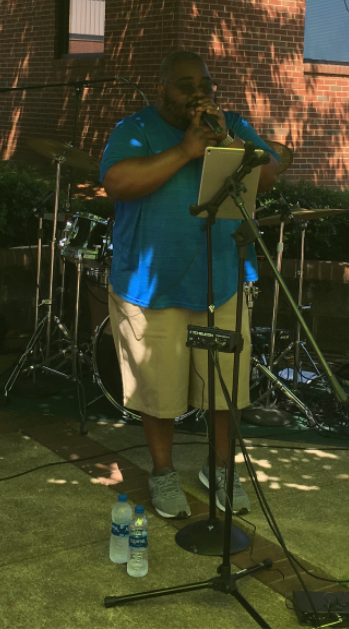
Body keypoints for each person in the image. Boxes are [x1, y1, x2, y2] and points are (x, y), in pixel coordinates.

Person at [101, 51, 280, 519]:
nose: (199, 92)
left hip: (222, 280)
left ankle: (220, 469)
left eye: (204, 83)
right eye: (186, 84)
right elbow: (117, 183)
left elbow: (274, 171)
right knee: (158, 392)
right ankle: (163, 473)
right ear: (162, 88)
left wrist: (228, 141)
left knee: (228, 388)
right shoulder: (134, 130)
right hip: (150, 288)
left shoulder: (231, 124)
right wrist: (185, 150)